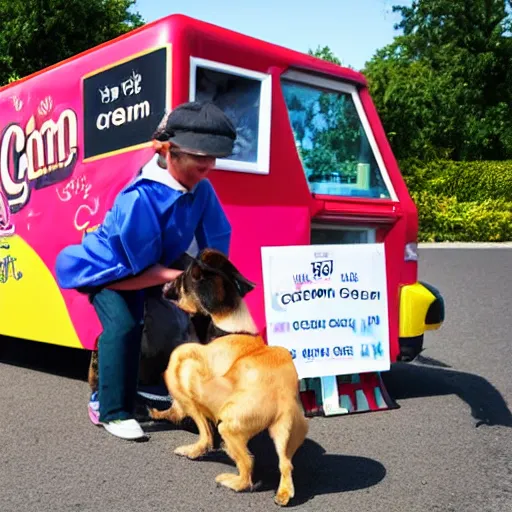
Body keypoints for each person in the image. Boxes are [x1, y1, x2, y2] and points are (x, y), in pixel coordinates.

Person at [55, 101, 237, 441]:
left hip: (158, 264)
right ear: (170, 152)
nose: (210, 164)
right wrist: (180, 278)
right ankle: (108, 407)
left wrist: (215, 280)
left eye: (215, 156)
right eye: (202, 155)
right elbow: (127, 276)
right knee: (124, 325)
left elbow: (215, 239)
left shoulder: (203, 188)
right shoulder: (139, 200)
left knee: (178, 318)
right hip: (109, 270)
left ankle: (173, 389)